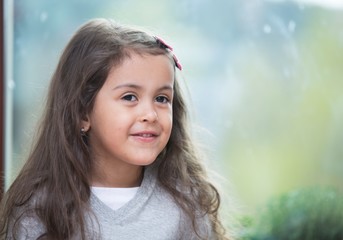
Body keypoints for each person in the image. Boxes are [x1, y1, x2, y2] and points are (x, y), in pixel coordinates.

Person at [0, 18, 230, 240]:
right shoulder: (36, 210)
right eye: (130, 97)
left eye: (161, 98)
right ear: (82, 113)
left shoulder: (187, 206)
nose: (150, 114)